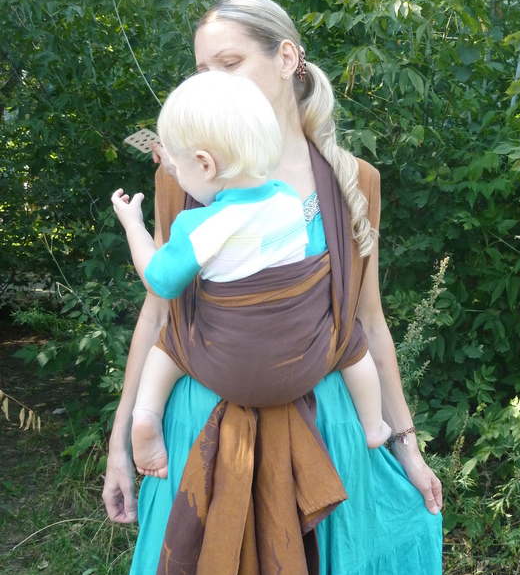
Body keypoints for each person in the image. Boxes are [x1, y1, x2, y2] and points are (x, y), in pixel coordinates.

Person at [101, 0, 492, 575]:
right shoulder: (190, 173)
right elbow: (158, 315)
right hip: (199, 434)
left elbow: (368, 322)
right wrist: (124, 439)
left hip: (324, 433)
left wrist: (405, 445)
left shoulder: (352, 180)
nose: (213, 83)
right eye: (202, 70)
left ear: (287, 58)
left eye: (230, 63)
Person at [111, 71, 391, 478]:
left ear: (205, 163)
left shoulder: (199, 225)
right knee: (351, 343)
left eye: (182, 169)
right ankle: (373, 423)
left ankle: (146, 416)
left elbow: (160, 280)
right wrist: (182, 165)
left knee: (169, 345)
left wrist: (134, 225)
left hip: (225, 368)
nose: (177, 178)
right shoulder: (288, 201)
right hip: (302, 365)